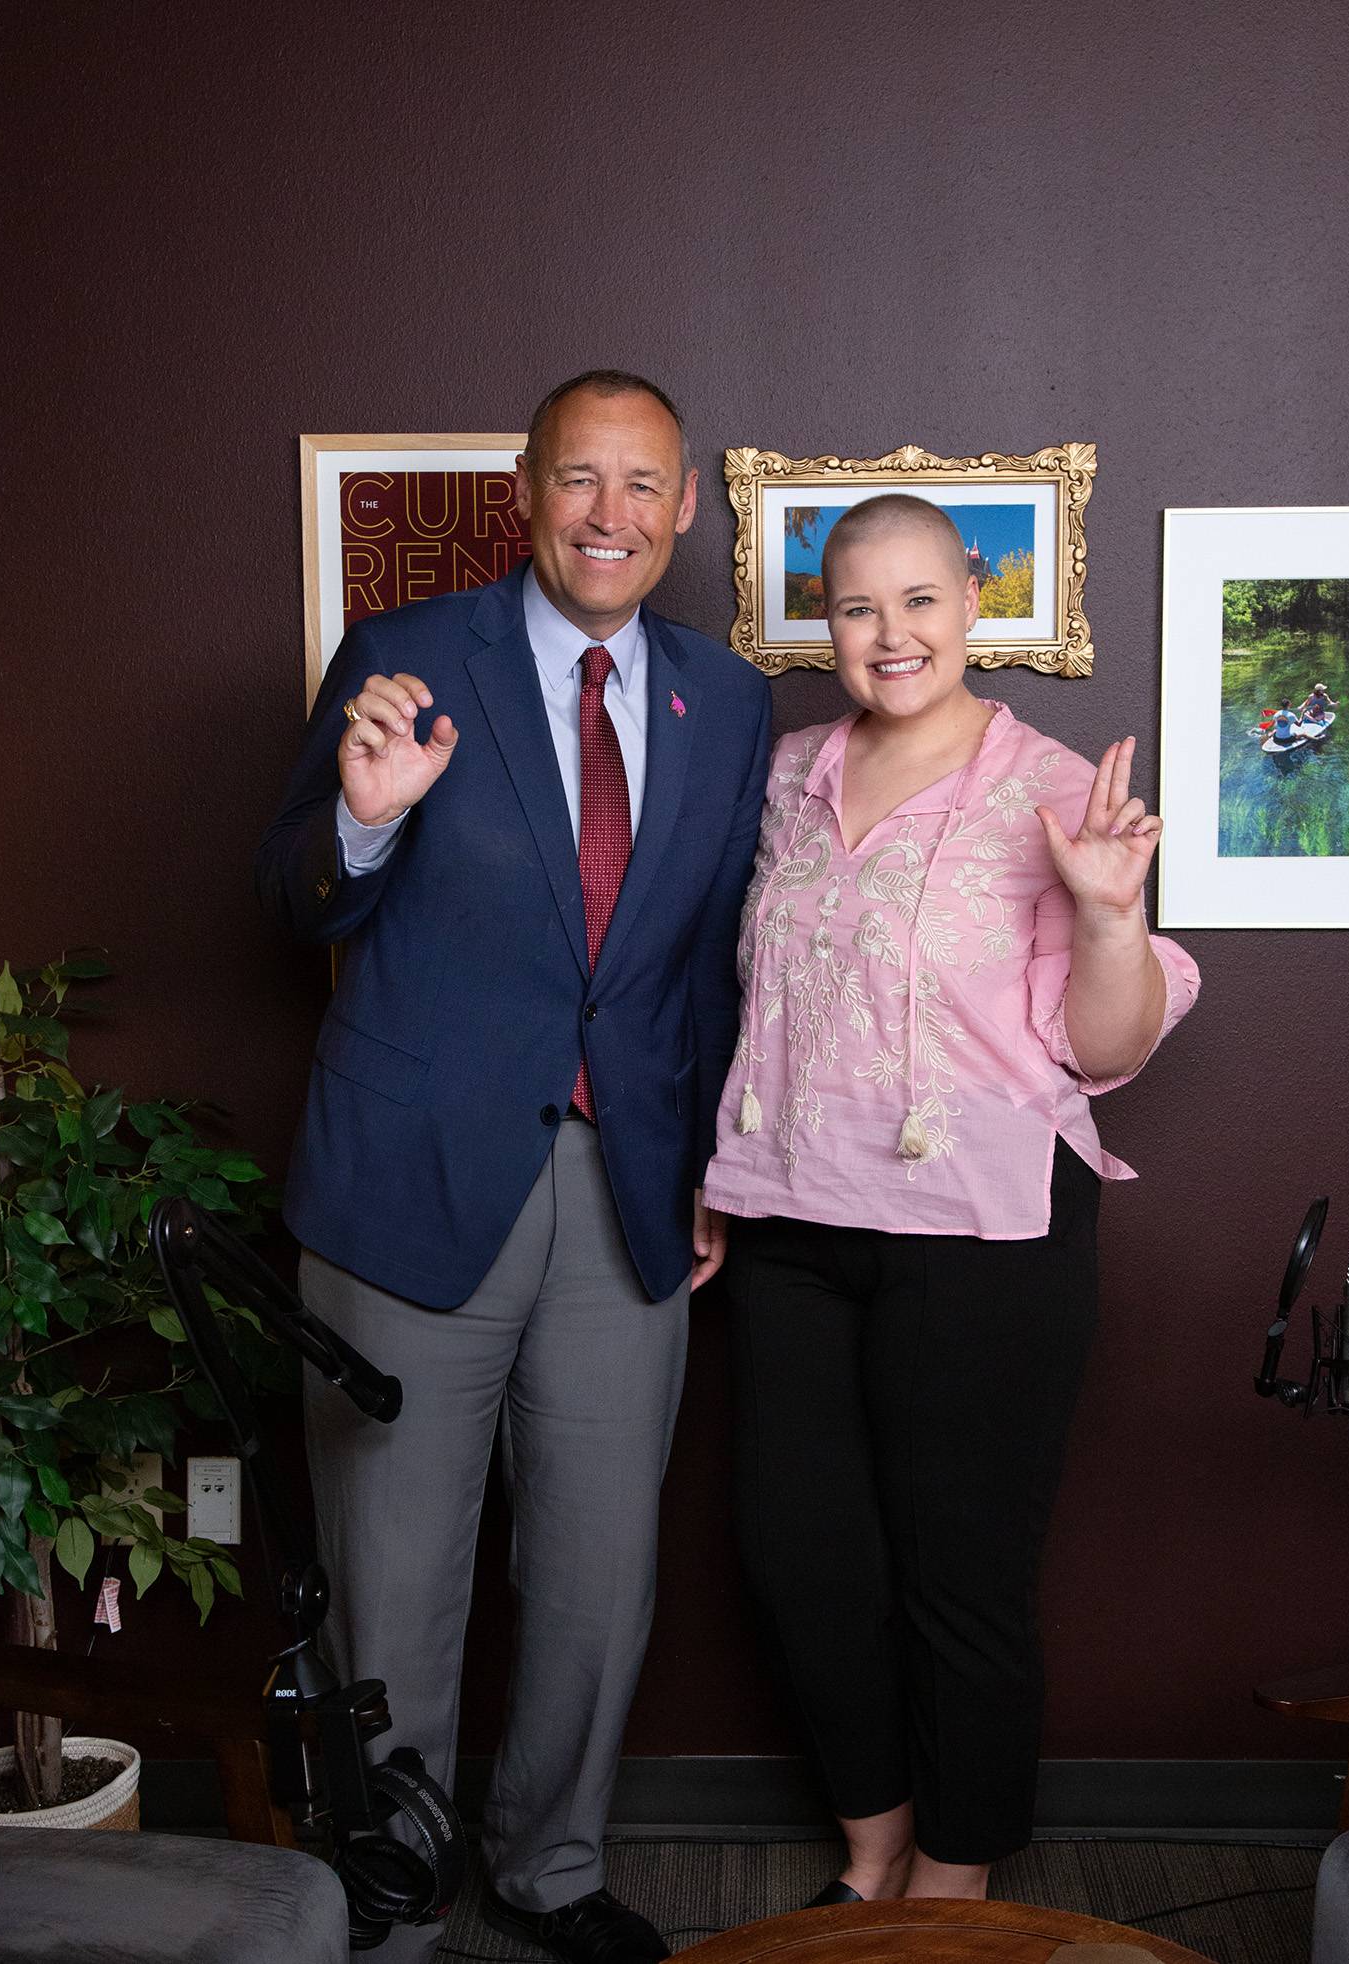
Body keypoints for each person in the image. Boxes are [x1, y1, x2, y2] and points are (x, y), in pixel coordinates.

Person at [257, 371, 771, 1964]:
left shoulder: (726, 699)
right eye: (577, 481)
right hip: (411, 1191)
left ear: (686, 508)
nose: (608, 516)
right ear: (527, 495)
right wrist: (360, 823)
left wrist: (702, 1167)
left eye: (642, 486)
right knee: (393, 1575)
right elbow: (292, 897)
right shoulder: (409, 657)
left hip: (621, 1195)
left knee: (600, 1568)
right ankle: (390, 1896)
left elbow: (694, 973)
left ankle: (550, 1871)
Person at [703, 495, 1199, 1907]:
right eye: (859, 608)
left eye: (919, 601)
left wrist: (1109, 915)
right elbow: (758, 1000)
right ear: (828, 622)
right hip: (796, 1219)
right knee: (800, 1556)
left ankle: (957, 1879)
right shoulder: (788, 773)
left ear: (971, 605)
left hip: (987, 1230)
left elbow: (1104, 1051)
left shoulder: (1048, 786)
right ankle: (872, 1848)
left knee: (958, 1576)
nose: (890, 633)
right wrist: (716, 1177)